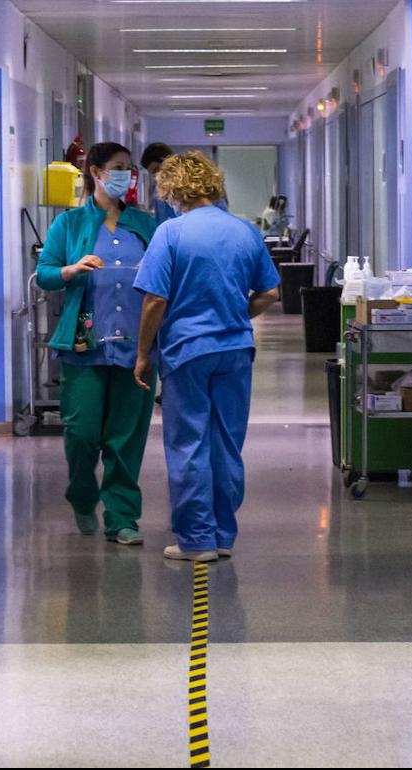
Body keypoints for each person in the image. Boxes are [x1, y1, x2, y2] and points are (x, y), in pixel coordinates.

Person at [132, 151, 280, 562]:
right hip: (234, 349)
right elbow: (270, 292)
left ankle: (196, 541)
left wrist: (143, 352)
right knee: (227, 442)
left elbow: (154, 300)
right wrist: (236, 313)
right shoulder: (245, 232)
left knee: (189, 443)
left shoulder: (171, 234)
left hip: (186, 352)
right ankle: (222, 535)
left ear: (171, 189)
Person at [36, 142, 159, 545]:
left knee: (126, 439)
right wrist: (72, 268)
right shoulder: (68, 225)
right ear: (96, 172)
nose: (126, 175)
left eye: (130, 168)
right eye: (118, 168)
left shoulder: (145, 225)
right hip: (85, 345)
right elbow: (45, 275)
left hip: (136, 349)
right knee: (83, 434)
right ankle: (83, 496)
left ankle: (123, 518)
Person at [141, 142, 229, 224]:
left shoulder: (202, 183)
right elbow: (161, 222)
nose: (158, 176)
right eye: (153, 173)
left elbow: (221, 213)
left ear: (168, 162)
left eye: (157, 169)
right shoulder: (159, 194)